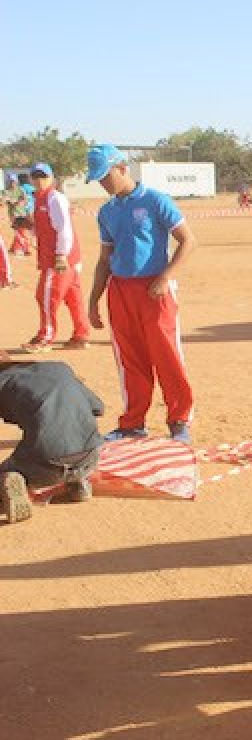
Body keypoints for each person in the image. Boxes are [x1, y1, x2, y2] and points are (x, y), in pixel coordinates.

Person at [85, 144, 198, 444]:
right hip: (120, 292)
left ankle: (179, 420)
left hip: (154, 291)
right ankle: (133, 422)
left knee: (167, 356)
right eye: (98, 179)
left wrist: (165, 277)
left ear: (122, 168)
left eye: (105, 176)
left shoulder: (155, 201)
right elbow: (104, 259)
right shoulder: (107, 212)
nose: (103, 184)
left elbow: (188, 241)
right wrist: (94, 299)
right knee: (130, 359)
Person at [0, 358, 104, 524]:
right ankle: (79, 483)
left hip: (45, 464)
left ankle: (14, 479)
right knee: (67, 441)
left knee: (8, 472)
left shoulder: (4, 381)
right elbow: (98, 408)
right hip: (91, 456)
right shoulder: (59, 368)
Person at [26, 163, 90, 352]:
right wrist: (28, 226)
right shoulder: (39, 199)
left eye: (43, 176)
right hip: (63, 258)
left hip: (60, 259)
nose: (39, 180)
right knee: (73, 297)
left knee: (45, 296)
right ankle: (81, 335)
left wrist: (61, 255)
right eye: (35, 176)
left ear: (51, 178)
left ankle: (45, 337)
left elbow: (64, 229)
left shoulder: (54, 198)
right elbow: (45, 230)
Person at [6, 173, 34, 256]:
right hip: (13, 215)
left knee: (22, 231)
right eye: (11, 181)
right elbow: (5, 200)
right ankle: (26, 249)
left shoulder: (21, 190)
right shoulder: (6, 191)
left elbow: (25, 200)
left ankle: (13, 248)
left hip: (23, 213)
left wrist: (21, 202)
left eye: (14, 181)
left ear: (16, 181)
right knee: (20, 232)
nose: (12, 183)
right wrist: (11, 201)